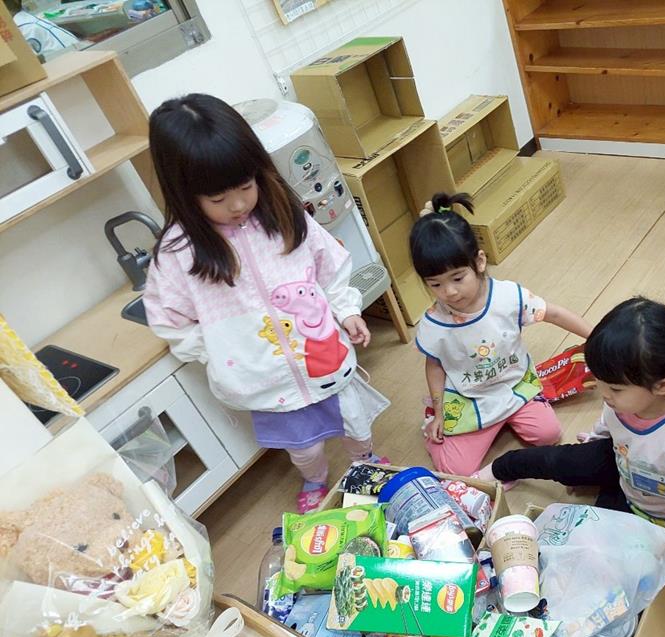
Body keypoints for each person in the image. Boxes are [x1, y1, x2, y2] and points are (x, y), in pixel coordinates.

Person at [143, 94, 388, 514]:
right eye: (218, 199)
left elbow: (330, 266)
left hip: (325, 358)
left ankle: (364, 462)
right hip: (264, 380)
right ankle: (315, 480)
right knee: (303, 446)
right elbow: (169, 320)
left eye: (245, 186)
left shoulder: (283, 214)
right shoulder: (178, 253)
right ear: (184, 193)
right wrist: (218, 353)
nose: (238, 205)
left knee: (354, 421)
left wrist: (346, 310)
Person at [478, 298, 665, 601]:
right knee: (561, 461)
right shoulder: (628, 394)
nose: (603, 394)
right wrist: (592, 444)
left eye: (613, 389)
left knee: (602, 562)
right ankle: (502, 468)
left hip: (654, 515)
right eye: (599, 382)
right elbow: (610, 423)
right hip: (622, 462)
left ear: (662, 385)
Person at [412, 192, 591, 476]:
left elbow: (553, 313)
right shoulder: (435, 322)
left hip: (514, 384)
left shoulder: (508, 296)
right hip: (469, 397)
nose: (450, 292)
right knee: (456, 469)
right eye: (435, 284)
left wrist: (596, 337)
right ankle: (471, 427)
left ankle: (505, 419)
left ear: (479, 262)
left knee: (549, 434)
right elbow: (434, 364)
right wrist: (439, 412)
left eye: (458, 278)